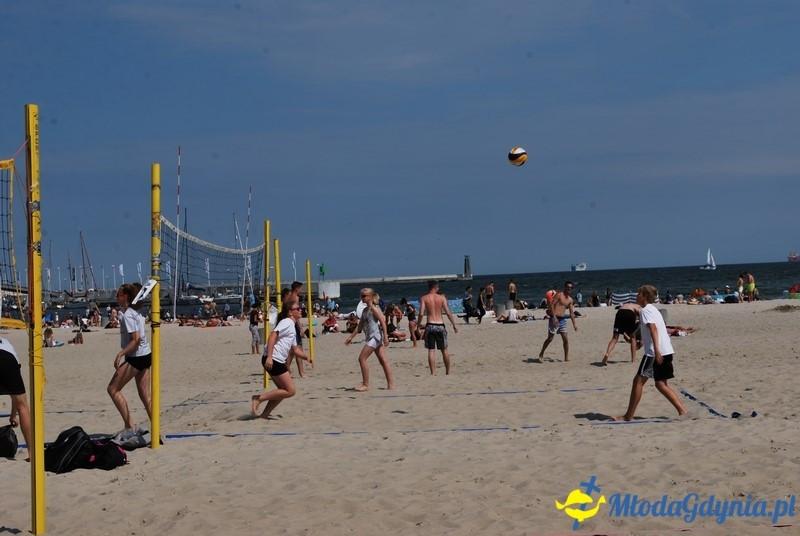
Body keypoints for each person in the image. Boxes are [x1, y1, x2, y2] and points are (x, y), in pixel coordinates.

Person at [615, 285, 688, 421]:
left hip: (655, 353)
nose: (636, 296)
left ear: (645, 297)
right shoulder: (654, 310)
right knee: (661, 384)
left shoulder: (645, 311)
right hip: (667, 350)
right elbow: (659, 329)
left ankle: (628, 416)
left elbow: (653, 329)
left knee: (638, 381)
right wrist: (643, 342)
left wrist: (656, 350)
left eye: (639, 294)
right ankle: (682, 411)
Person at [251, 298, 312, 419]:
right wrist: (269, 357)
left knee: (282, 391)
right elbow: (272, 336)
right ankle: (258, 398)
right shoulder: (287, 322)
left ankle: (264, 415)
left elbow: (295, 349)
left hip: (275, 359)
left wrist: (306, 357)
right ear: (290, 312)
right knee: (290, 390)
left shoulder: (292, 326)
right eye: (298, 309)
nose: (301, 310)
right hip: (273, 359)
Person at [107, 283, 153, 435]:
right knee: (145, 395)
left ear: (125, 296)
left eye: (118, 295)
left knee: (113, 389)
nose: (116, 297)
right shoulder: (134, 312)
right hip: (145, 355)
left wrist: (120, 354)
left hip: (136, 357)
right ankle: (156, 427)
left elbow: (136, 340)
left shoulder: (128, 315)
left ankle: (129, 425)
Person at [344, 288, 396, 392]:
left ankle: (366, 384)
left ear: (371, 297)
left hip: (375, 337)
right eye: (361, 296)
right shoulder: (365, 310)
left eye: (364, 296)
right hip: (371, 337)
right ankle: (391, 385)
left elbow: (383, 322)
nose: (362, 298)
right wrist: (350, 337)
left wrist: (386, 337)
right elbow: (359, 327)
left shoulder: (374, 309)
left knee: (362, 359)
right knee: (383, 361)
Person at [418, 280, 459, 375]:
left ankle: (433, 373)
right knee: (444, 349)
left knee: (431, 350)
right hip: (440, 325)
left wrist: (418, 325)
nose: (439, 289)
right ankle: (447, 372)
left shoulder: (424, 298)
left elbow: (420, 314)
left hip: (430, 325)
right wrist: (454, 325)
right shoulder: (442, 298)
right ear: (435, 288)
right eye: (438, 287)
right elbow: (448, 312)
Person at [0, 338, 32, 459]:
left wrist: (13, 415)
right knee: (23, 406)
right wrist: (14, 414)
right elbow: (15, 393)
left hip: (8, 358)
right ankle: (32, 453)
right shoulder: (7, 343)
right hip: (9, 360)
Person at [538, 281, 578, 362]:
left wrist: (574, 324)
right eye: (568, 287)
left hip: (562, 320)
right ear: (565, 287)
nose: (569, 288)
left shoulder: (570, 300)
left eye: (571, 287)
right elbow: (552, 305)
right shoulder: (559, 295)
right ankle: (541, 353)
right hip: (554, 318)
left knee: (565, 339)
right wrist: (554, 317)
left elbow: (571, 313)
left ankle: (566, 357)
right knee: (550, 338)